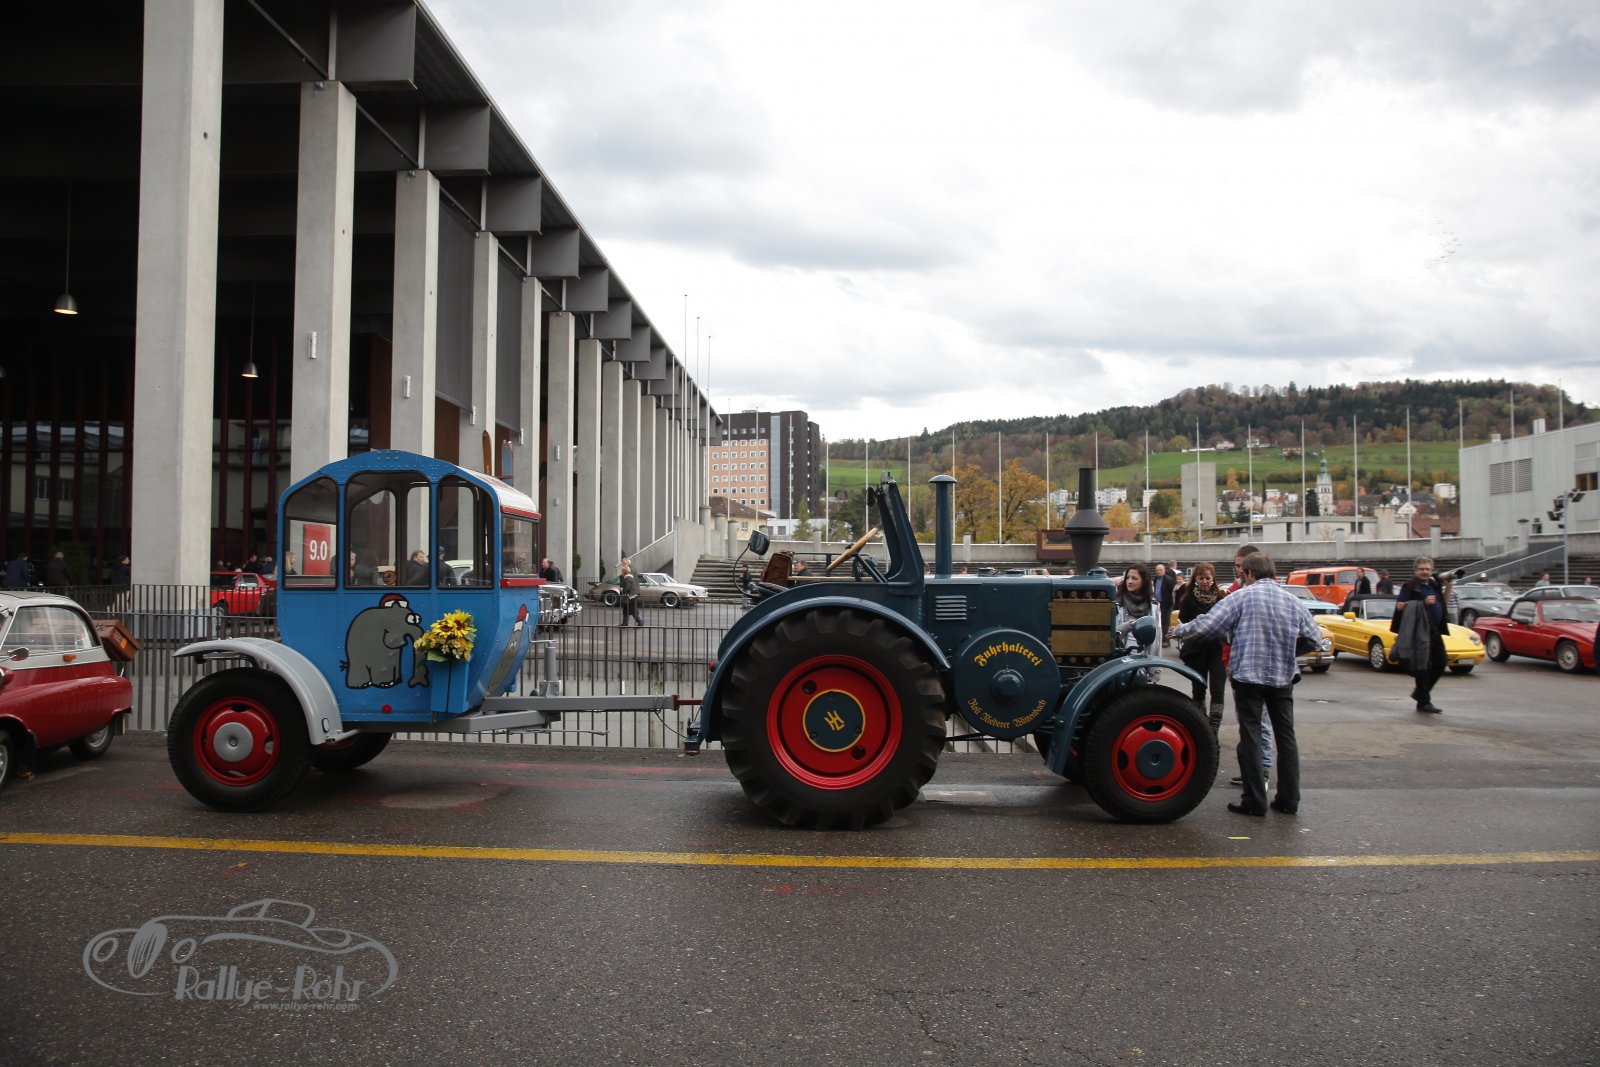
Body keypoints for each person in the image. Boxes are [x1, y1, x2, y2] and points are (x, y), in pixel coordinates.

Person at [1172, 551, 1321, 817]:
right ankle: (1289, 799)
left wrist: (1180, 630)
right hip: (1282, 678)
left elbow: (1209, 626)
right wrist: (1290, 652)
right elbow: (1314, 638)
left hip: (1248, 677)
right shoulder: (1292, 601)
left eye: (1243, 573)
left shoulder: (1241, 597)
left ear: (1250, 573)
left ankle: (1254, 800)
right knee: (1286, 737)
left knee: (1250, 736)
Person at [1393, 556, 1450, 714]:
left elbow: (1443, 604)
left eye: (1428, 569)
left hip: (1435, 629)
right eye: (1422, 569)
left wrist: (1449, 586)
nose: (1425, 572)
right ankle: (1424, 702)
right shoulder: (1410, 585)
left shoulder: (1433, 584)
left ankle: (1420, 694)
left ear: (1432, 570)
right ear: (1415, 570)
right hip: (1419, 630)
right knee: (1422, 666)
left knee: (1441, 662)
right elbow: (1400, 606)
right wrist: (1422, 603)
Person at [1175, 562, 1227, 730]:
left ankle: (1214, 728)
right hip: (1196, 649)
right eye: (1201, 578)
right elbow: (1182, 622)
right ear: (1196, 579)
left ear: (1213, 579)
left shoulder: (1221, 598)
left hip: (1217, 648)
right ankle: (1201, 725)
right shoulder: (1188, 598)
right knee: (1198, 688)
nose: (1204, 581)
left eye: (1207, 578)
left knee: (1218, 689)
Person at [1114, 563, 1160, 651]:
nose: (1129, 581)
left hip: (1146, 657)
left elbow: (1157, 639)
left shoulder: (1154, 606)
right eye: (1127, 577)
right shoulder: (1117, 605)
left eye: (1134, 578)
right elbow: (1110, 635)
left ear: (1144, 581)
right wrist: (1126, 627)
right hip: (1123, 656)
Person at [1153, 562, 1176, 647]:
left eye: (1160, 570)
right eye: (1157, 570)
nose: (1159, 571)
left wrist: (1172, 603)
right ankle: (1159, 639)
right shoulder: (1155, 579)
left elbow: (1173, 592)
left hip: (1166, 604)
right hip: (1157, 604)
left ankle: (1166, 641)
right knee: (1158, 622)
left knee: (1165, 623)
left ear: (1164, 570)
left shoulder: (1169, 580)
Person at [617, 562, 644, 627]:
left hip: (630, 597)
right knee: (627, 610)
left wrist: (622, 589)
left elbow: (628, 588)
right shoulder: (630, 577)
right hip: (632, 596)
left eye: (622, 571)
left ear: (624, 572)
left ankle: (640, 621)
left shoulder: (627, 578)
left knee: (632, 611)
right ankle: (625, 623)